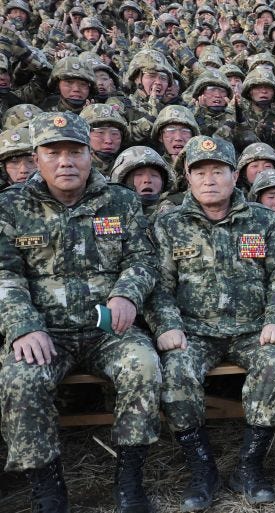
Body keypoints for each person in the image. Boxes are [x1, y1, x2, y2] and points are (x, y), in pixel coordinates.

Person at [0, 111, 160, 513]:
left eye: (75, 151)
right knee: (20, 380)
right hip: (44, 331)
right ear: (37, 158)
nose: (65, 162)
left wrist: (126, 294)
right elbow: (4, 273)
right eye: (53, 152)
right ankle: (47, 488)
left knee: (143, 365)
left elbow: (143, 259)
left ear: (91, 156)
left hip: (109, 329)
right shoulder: (11, 206)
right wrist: (22, 327)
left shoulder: (120, 200)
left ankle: (129, 479)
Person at [146, 135, 275, 510]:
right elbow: (159, 287)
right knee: (176, 372)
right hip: (194, 331)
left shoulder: (262, 220)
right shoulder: (168, 224)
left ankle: (249, 465)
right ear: (187, 177)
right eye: (200, 172)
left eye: (218, 171)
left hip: (252, 329)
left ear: (235, 176)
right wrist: (167, 326)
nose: (209, 179)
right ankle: (202, 468)